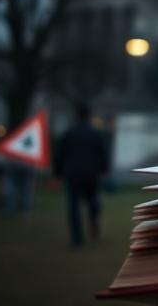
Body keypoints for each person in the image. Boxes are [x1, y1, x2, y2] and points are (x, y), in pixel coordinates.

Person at [54, 104, 110, 247]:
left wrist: (57, 173)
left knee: (73, 206)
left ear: (76, 116)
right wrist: (104, 170)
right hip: (91, 174)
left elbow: (60, 154)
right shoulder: (96, 133)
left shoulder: (69, 133)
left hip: (72, 174)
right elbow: (103, 153)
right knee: (93, 201)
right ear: (89, 116)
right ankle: (93, 221)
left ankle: (76, 239)